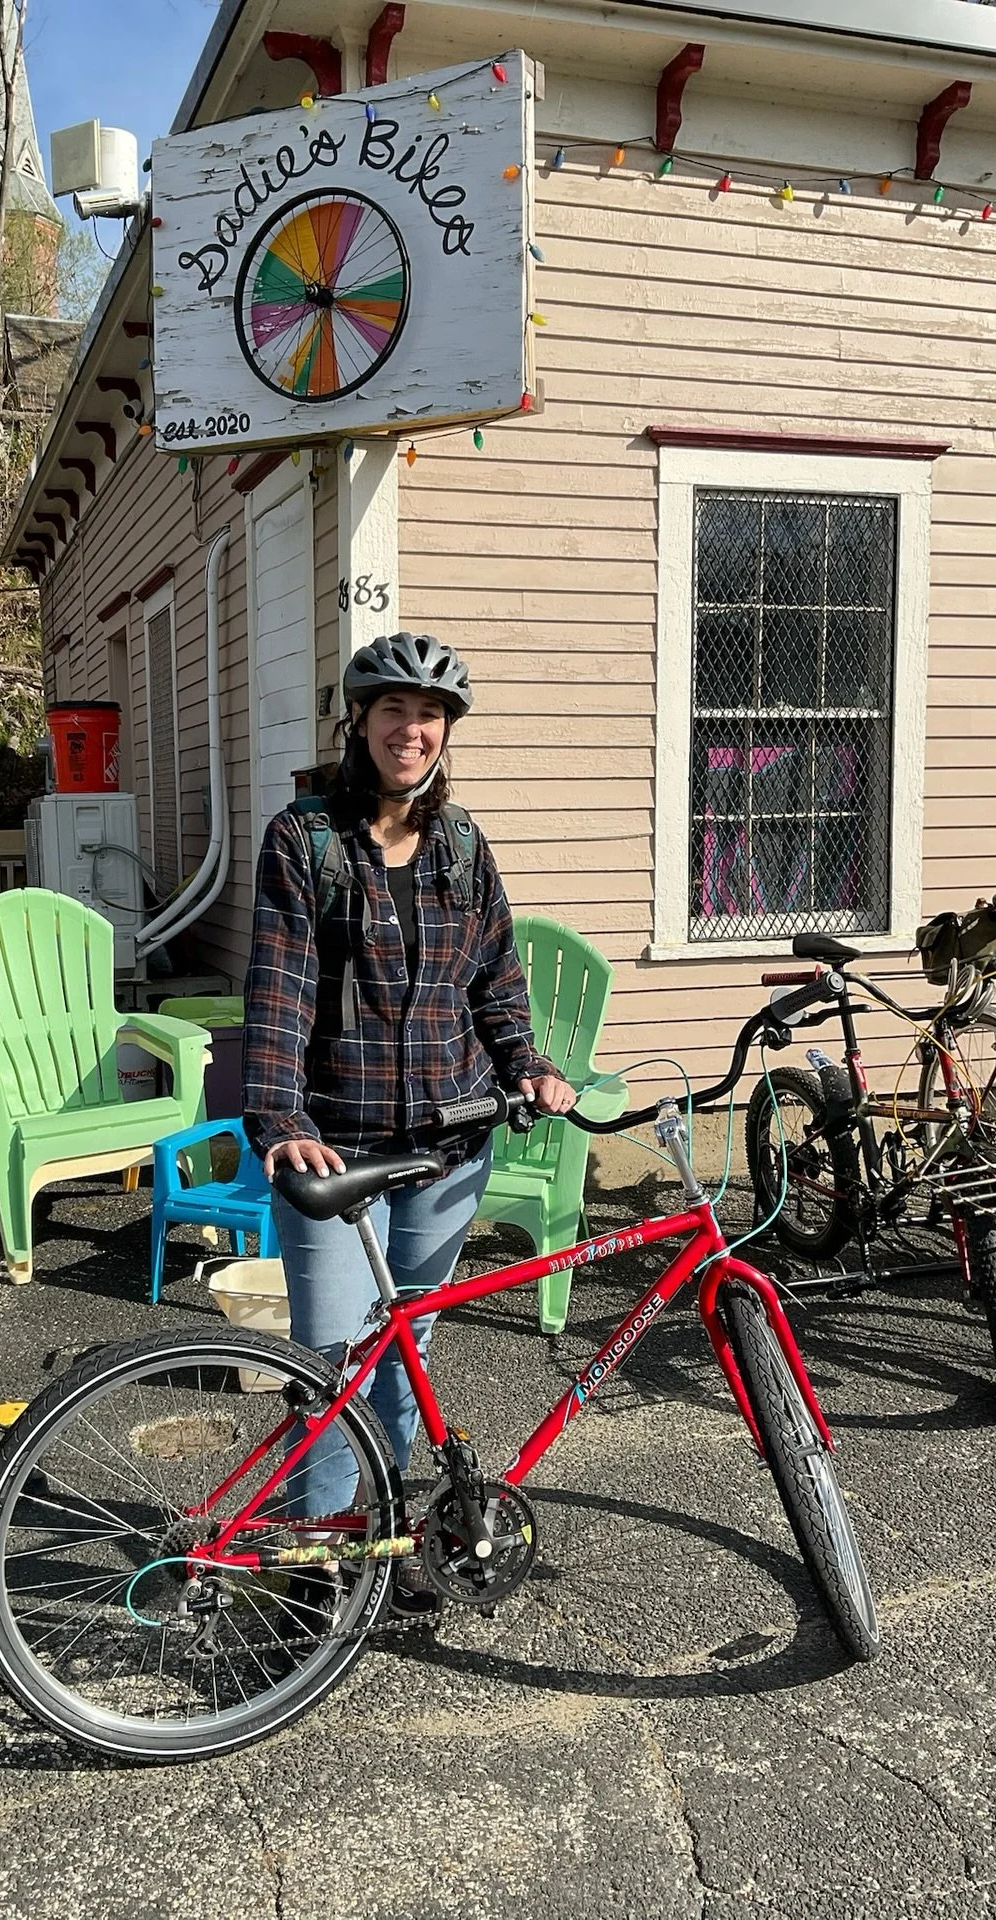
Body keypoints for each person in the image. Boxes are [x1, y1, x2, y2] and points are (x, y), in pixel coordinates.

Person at [243, 631, 575, 1615]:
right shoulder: (302, 841)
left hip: (448, 1144)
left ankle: (387, 1543)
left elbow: (497, 982)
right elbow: (278, 993)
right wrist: (278, 1114)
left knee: (406, 1353)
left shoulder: (463, 845)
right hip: (339, 1142)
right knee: (331, 1362)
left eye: (429, 716)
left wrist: (529, 1064)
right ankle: (314, 1561)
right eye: (394, 710)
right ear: (360, 720)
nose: (412, 730)